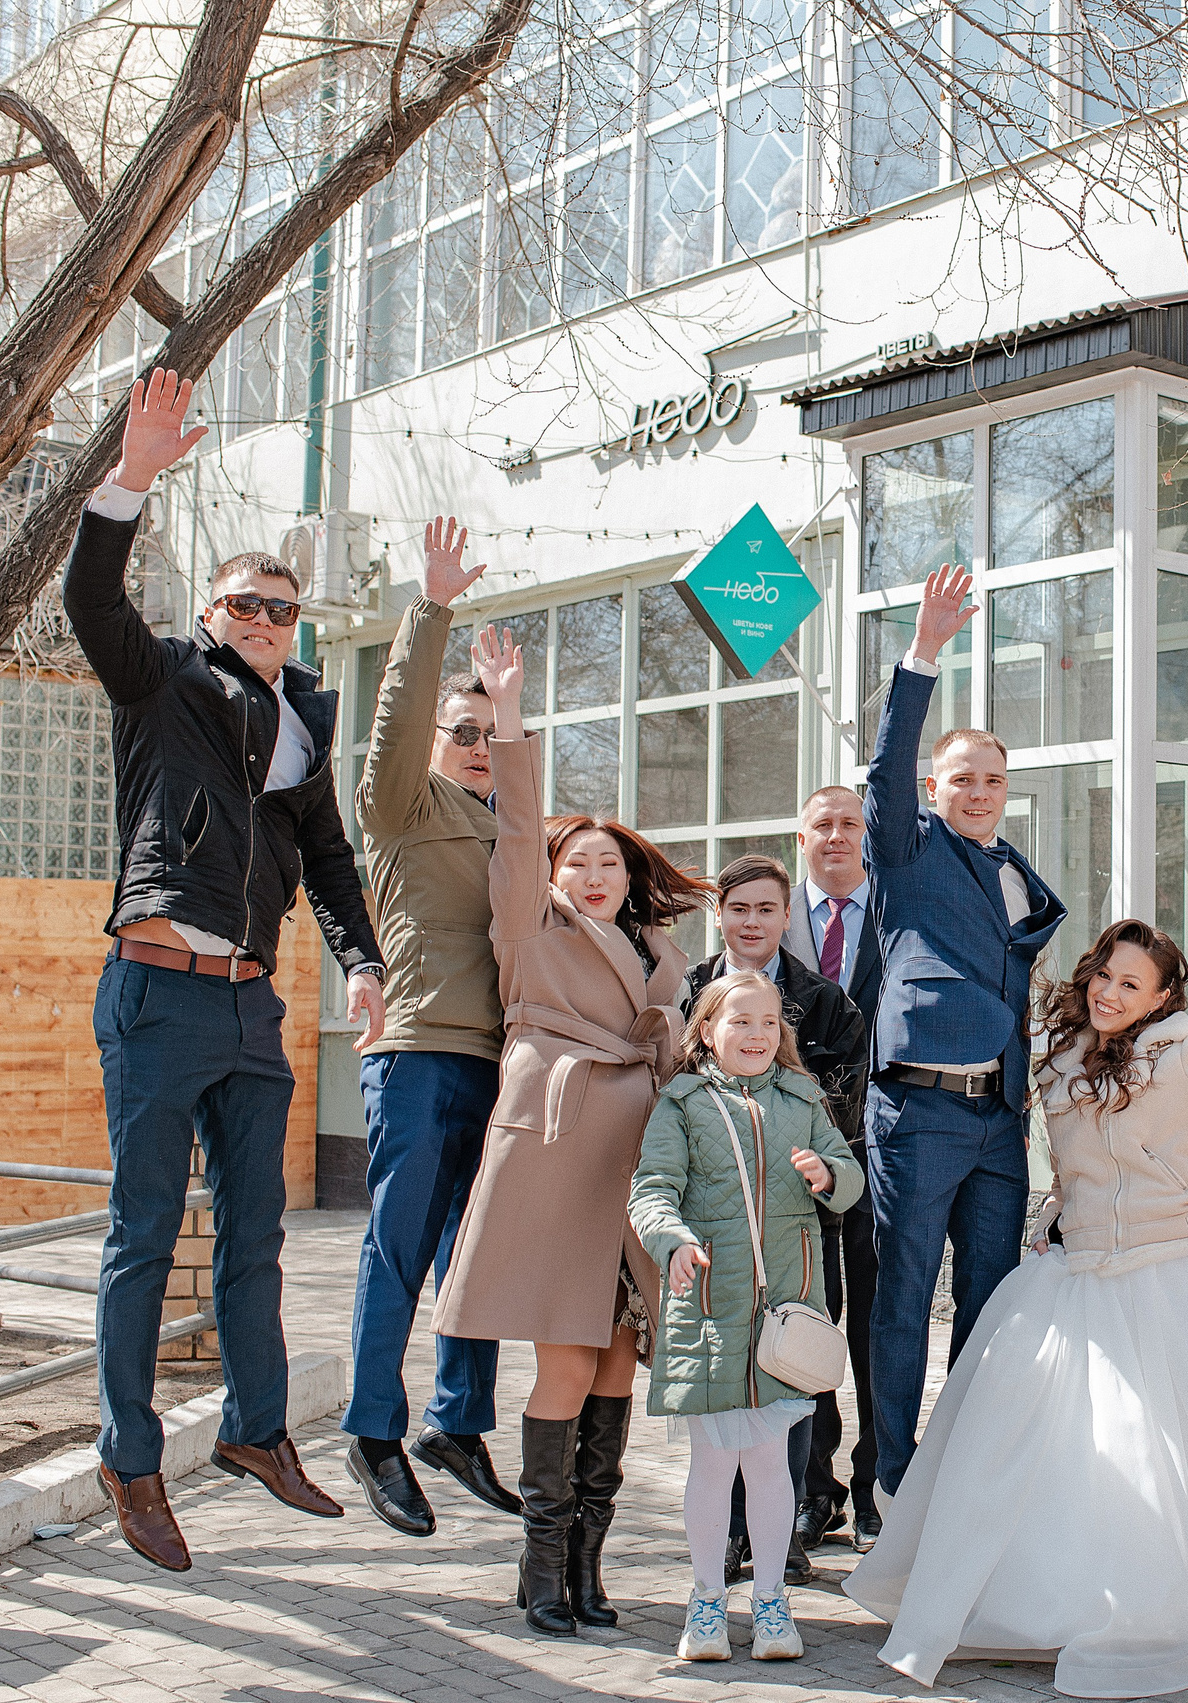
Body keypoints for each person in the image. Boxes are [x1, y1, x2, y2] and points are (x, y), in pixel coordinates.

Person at [849, 921, 1188, 1699]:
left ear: (1163, 996)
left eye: (1130, 984)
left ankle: (1186, 1602)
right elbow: (1071, 1166)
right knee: (1044, 1444)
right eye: (1104, 975)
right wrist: (1050, 1218)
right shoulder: (1058, 1054)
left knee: (1171, 1452)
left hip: (1173, 1268)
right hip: (1076, 1270)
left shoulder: (1186, 1047)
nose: (1109, 993)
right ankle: (1039, 1594)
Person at [63, 369, 382, 1574]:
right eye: (246, 603)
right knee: (145, 1233)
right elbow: (92, 596)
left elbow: (331, 859)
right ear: (211, 608)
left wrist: (358, 963)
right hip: (157, 989)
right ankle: (130, 1458)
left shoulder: (302, 722)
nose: (263, 620)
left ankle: (256, 1432)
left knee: (259, 1237)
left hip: (254, 1006)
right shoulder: (163, 684)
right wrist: (132, 476)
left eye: (282, 609)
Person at [432, 626, 709, 1636]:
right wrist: (507, 716)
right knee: (561, 1358)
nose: (593, 874)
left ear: (630, 878)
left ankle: (587, 1570)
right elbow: (511, 837)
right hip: (559, 1147)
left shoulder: (662, 959)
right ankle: (540, 1569)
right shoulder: (531, 927)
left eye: (608, 863)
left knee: (613, 1363)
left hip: (637, 1165)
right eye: (576, 860)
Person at [860, 564, 1066, 1503]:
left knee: (990, 1303)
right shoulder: (906, 851)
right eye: (961, 779)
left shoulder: (1019, 872)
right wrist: (924, 653)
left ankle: (968, 1477)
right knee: (902, 1297)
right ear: (933, 787)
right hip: (918, 1109)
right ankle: (890, 1483)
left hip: (999, 1120)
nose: (979, 792)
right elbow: (884, 768)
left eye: (992, 779)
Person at [342, 515, 517, 1538]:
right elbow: (398, 719)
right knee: (397, 1247)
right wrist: (431, 610)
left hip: (502, 1064)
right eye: (466, 729)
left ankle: (457, 1422)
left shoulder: (513, 820)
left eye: (491, 732)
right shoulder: (405, 803)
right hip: (416, 1052)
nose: (478, 744)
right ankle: (372, 1428)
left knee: (479, 1255)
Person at [631, 974, 866, 1664]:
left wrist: (826, 1173)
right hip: (707, 1309)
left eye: (768, 1022)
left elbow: (850, 1176)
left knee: (770, 1465)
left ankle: (770, 1601)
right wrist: (671, 1237)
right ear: (707, 1030)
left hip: (784, 1317)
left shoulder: (803, 1097)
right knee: (712, 1462)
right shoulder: (683, 1102)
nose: (757, 1034)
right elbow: (652, 1188)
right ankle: (706, 1599)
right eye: (740, 1021)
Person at [682, 853, 867, 1587]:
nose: (752, 922)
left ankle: (785, 1531)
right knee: (723, 1379)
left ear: (786, 915)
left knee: (791, 1375)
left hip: (798, 1221)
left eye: (766, 909)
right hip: (716, 1223)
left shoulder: (828, 1004)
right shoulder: (691, 991)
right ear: (719, 915)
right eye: (739, 909)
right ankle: (727, 1534)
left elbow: (839, 1118)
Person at [786, 785, 886, 1548]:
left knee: (878, 1326)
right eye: (823, 824)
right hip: (798, 1159)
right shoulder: (769, 919)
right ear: (801, 837)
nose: (837, 836)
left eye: (850, 823)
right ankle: (813, 1487)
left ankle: (877, 1478)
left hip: (883, 1150)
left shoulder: (901, 913)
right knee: (809, 1319)